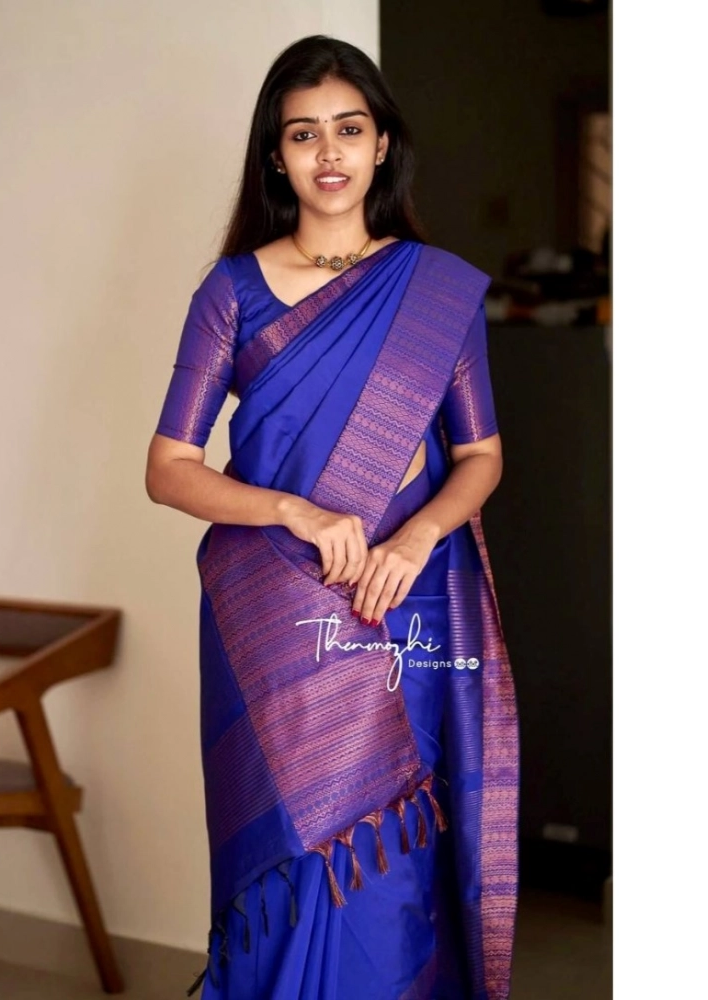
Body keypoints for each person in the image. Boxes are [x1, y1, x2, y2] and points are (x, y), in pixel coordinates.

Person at [145, 35, 518, 1000]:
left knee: (391, 870)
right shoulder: (232, 292)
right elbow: (168, 468)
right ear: (276, 156)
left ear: (382, 144)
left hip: (401, 601)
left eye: (349, 129)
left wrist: (418, 536)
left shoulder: (436, 290)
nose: (329, 153)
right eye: (303, 134)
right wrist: (293, 510)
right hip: (275, 615)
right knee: (291, 859)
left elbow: (480, 455)